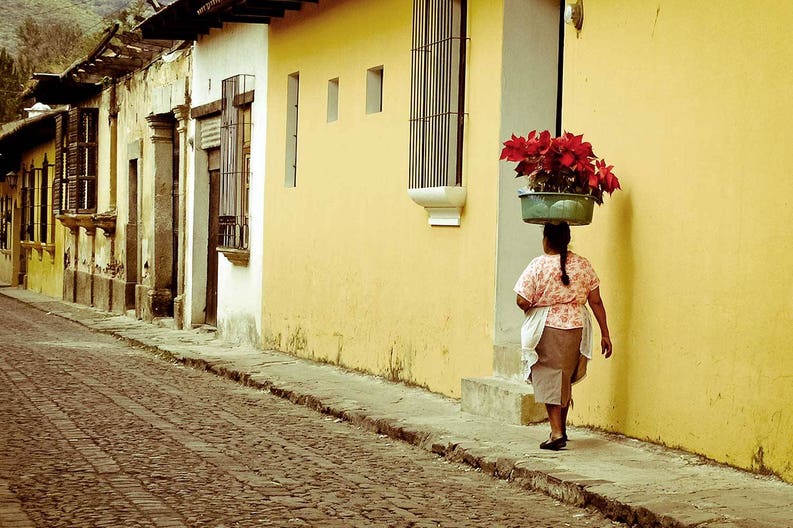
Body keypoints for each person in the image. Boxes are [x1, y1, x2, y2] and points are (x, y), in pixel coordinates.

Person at [514, 222, 612, 450]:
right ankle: (561, 429)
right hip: (576, 326)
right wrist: (605, 333)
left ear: (546, 239)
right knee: (563, 378)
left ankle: (556, 432)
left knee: (549, 377)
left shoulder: (538, 265)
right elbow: (595, 300)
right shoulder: (582, 264)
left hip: (547, 327)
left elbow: (521, 299)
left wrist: (534, 305)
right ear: (567, 239)